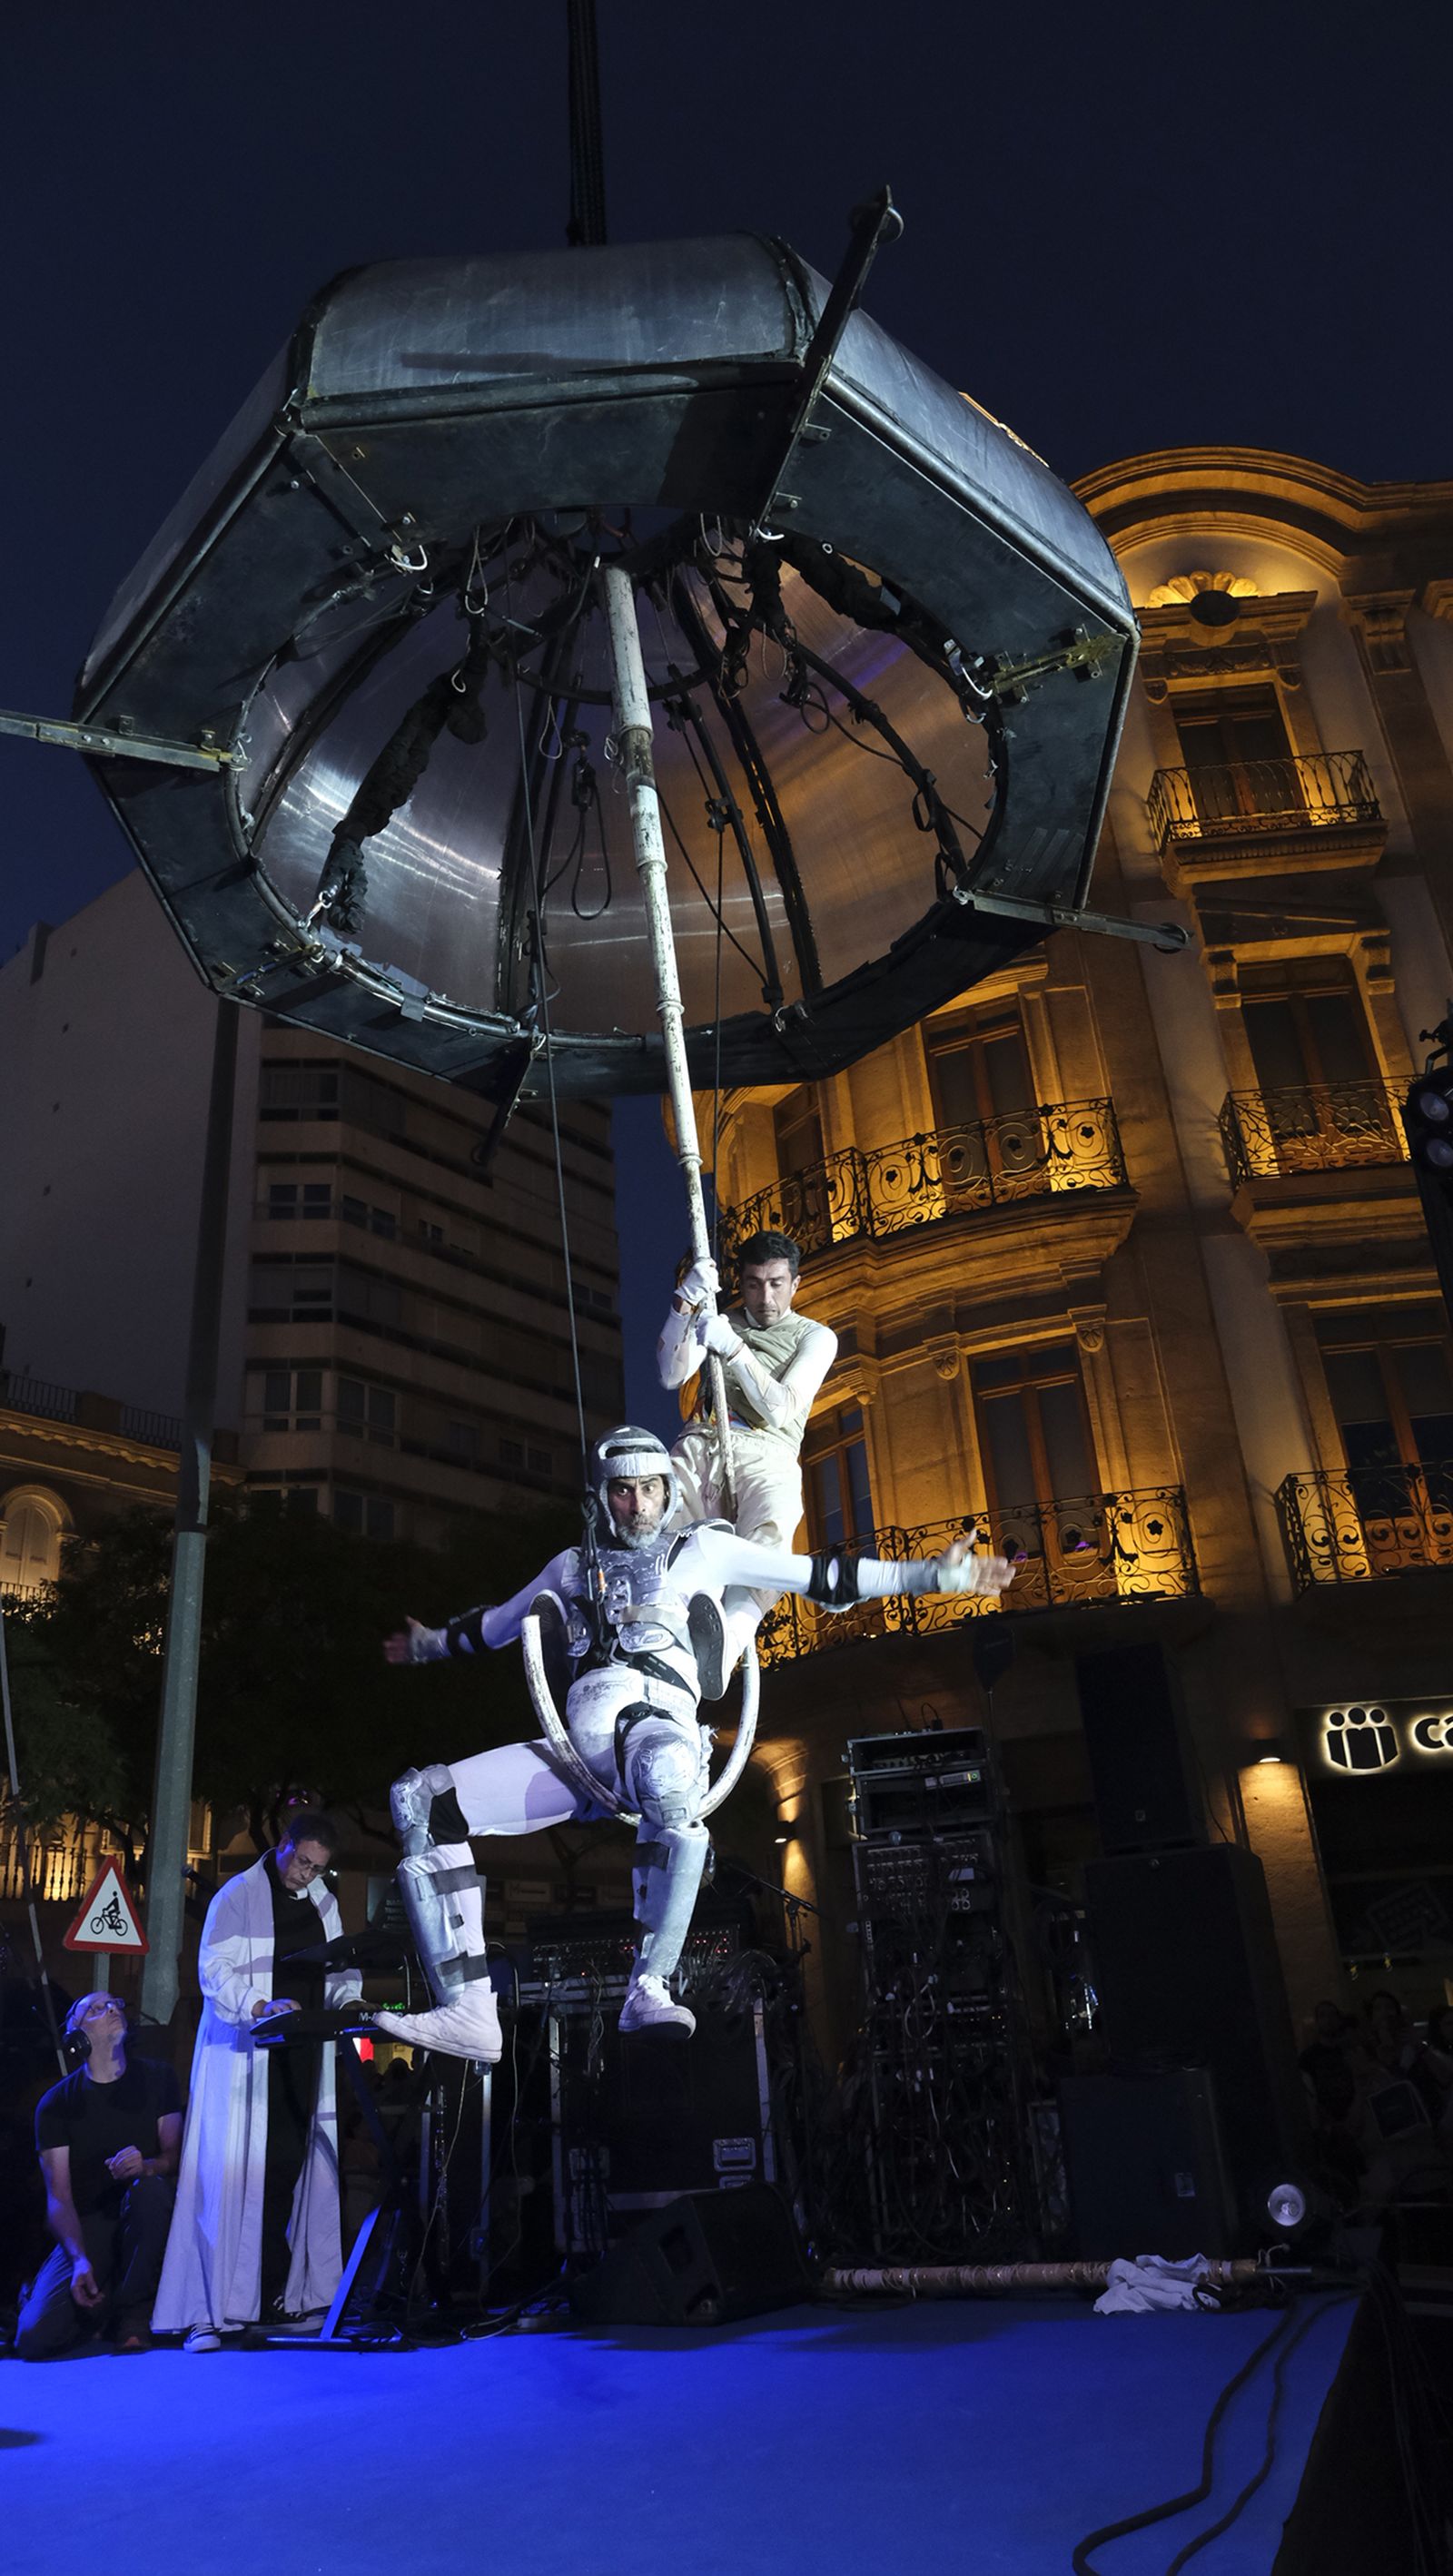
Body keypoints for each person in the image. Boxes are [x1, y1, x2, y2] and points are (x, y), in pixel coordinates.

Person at [379, 1423, 1014, 2057]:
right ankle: (466, 2007)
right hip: (576, 1756)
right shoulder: (570, 1567)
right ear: (602, 1496)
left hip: (652, 1735)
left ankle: (649, 1982)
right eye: (623, 1491)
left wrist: (933, 1575)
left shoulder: (702, 1550)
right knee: (421, 1800)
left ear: (667, 1489)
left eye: (650, 1488)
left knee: (666, 1772)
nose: (637, 1504)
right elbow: (495, 1626)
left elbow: (819, 1575)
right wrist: (428, 1643)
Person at [153, 1811, 363, 2353]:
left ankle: (280, 2296)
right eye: (303, 1863)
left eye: (319, 1869)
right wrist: (260, 2005)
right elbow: (213, 1969)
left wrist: (352, 2002)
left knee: (289, 2176)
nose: (307, 1876)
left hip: (299, 2060)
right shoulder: (236, 1896)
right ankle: (209, 2309)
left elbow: (341, 1970)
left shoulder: (325, 1904)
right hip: (244, 2057)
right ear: (286, 1846)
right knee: (229, 2178)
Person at [657, 1230, 836, 1665]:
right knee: (660, 1536)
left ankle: (729, 1642)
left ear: (796, 1284)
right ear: (741, 1283)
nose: (766, 1297)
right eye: (754, 1284)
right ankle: (659, 1640)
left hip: (766, 1450)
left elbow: (782, 1408)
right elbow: (669, 1375)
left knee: (770, 1541)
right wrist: (684, 1304)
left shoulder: (815, 1336)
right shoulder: (719, 1318)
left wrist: (733, 1349)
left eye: (776, 1283)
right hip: (701, 1441)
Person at [15, 1991, 181, 2358]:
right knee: (33, 2337)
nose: (111, 2010)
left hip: (145, 2211)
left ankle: (133, 2318)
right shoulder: (57, 2104)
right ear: (76, 2033)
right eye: (95, 2008)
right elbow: (58, 2198)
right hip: (92, 2223)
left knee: (149, 2191)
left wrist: (149, 2165)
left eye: (115, 2004)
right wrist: (79, 2260)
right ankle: (98, 2304)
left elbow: (175, 2156)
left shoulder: (158, 2077)